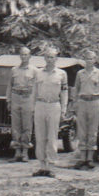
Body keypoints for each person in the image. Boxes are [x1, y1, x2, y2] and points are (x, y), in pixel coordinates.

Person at [32, 46, 68, 177]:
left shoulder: (62, 74)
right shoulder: (38, 73)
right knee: (40, 137)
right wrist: (33, 107)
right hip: (40, 104)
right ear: (44, 58)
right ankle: (42, 166)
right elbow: (34, 92)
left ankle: (51, 166)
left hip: (54, 105)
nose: (50, 59)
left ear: (56, 59)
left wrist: (64, 109)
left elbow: (64, 93)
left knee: (52, 137)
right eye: (48, 57)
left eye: (52, 57)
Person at [72, 50, 99, 170]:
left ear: (95, 60)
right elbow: (76, 89)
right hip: (83, 102)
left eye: (91, 58)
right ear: (84, 60)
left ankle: (90, 158)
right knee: (82, 130)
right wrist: (75, 103)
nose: (89, 61)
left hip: (94, 101)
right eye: (87, 58)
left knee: (92, 130)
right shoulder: (80, 74)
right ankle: (82, 158)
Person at [8, 46, 37, 163]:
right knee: (15, 126)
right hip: (15, 97)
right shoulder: (14, 70)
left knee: (27, 126)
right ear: (19, 56)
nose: (24, 57)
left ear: (30, 56)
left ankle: (25, 152)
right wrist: (8, 101)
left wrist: (34, 103)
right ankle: (17, 152)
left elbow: (36, 88)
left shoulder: (35, 71)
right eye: (22, 54)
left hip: (28, 98)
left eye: (26, 55)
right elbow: (9, 86)